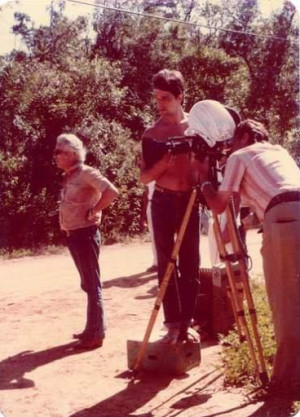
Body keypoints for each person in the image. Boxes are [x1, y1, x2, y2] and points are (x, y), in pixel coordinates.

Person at [196, 119, 300, 399]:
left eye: (232, 141)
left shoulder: (241, 156)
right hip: (291, 212)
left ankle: (289, 383)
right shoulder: (279, 152)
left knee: (286, 301)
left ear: (245, 136)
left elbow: (218, 204)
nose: (228, 148)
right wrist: (231, 233)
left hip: (285, 219)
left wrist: (204, 177)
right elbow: (268, 200)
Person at [139, 69, 200, 344]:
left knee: (191, 263)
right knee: (166, 264)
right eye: (157, 98)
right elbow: (144, 177)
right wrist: (167, 159)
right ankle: (172, 324)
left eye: (165, 98)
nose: (160, 104)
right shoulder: (152, 134)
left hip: (189, 201)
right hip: (163, 201)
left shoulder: (197, 127)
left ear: (180, 97)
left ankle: (188, 323)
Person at [54, 133, 118, 350]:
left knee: (93, 285)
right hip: (74, 235)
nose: (56, 156)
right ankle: (92, 328)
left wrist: (95, 210)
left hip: (85, 234)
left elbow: (111, 192)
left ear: (72, 153)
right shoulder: (71, 175)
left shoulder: (87, 173)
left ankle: (96, 333)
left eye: (59, 152)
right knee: (88, 284)